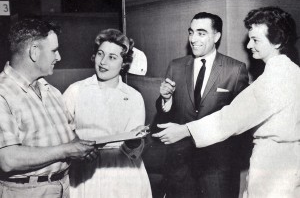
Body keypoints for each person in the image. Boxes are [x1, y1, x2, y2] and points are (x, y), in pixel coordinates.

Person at [153, 6, 300, 197]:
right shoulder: (293, 71)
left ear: (277, 41)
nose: (248, 46)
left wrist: (184, 130)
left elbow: (231, 117)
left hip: (273, 167)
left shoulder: (276, 78)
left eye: (255, 40)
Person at [0, 18, 98, 198]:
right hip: (25, 192)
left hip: (63, 186)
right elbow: (7, 159)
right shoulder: (3, 93)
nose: (59, 57)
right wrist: (67, 150)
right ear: (34, 52)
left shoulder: (52, 92)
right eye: (54, 50)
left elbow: (70, 136)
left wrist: (81, 148)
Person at [156, 12, 249, 198]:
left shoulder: (235, 70)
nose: (193, 39)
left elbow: (242, 119)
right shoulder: (175, 66)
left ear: (217, 36)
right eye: (191, 32)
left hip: (217, 169)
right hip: (181, 168)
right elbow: (166, 116)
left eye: (201, 33)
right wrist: (166, 99)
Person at [63, 29, 152, 198]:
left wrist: (135, 141)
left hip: (123, 173)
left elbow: (133, 150)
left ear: (124, 63)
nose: (103, 62)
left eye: (112, 57)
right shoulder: (75, 90)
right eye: (100, 54)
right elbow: (60, 131)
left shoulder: (133, 97)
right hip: (85, 172)